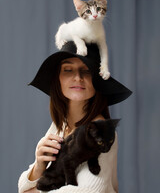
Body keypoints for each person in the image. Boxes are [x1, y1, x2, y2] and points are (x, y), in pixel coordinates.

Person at [18, 42, 132, 193]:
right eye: (68, 69)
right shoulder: (60, 126)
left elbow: (88, 191)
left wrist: (34, 191)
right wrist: (39, 166)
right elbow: (22, 187)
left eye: (86, 70)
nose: (78, 77)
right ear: (57, 79)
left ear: (98, 80)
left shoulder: (103, 132)